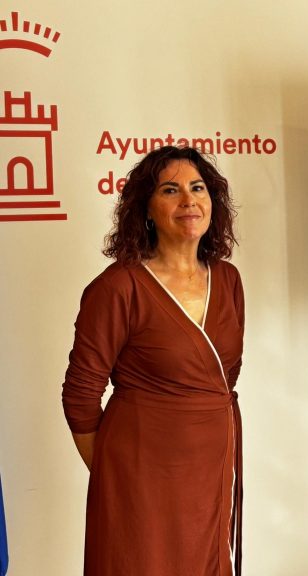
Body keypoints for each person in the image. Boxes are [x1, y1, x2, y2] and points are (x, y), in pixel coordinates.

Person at [62, 146, 244, 575]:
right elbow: (80, 396)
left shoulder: (228, 278)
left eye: (198, 188)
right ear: (145, 208)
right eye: (170, 190)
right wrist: (115, 475)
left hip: (211, 463)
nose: (189, 200)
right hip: (139, 471)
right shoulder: (118, 287)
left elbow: (224, 378)